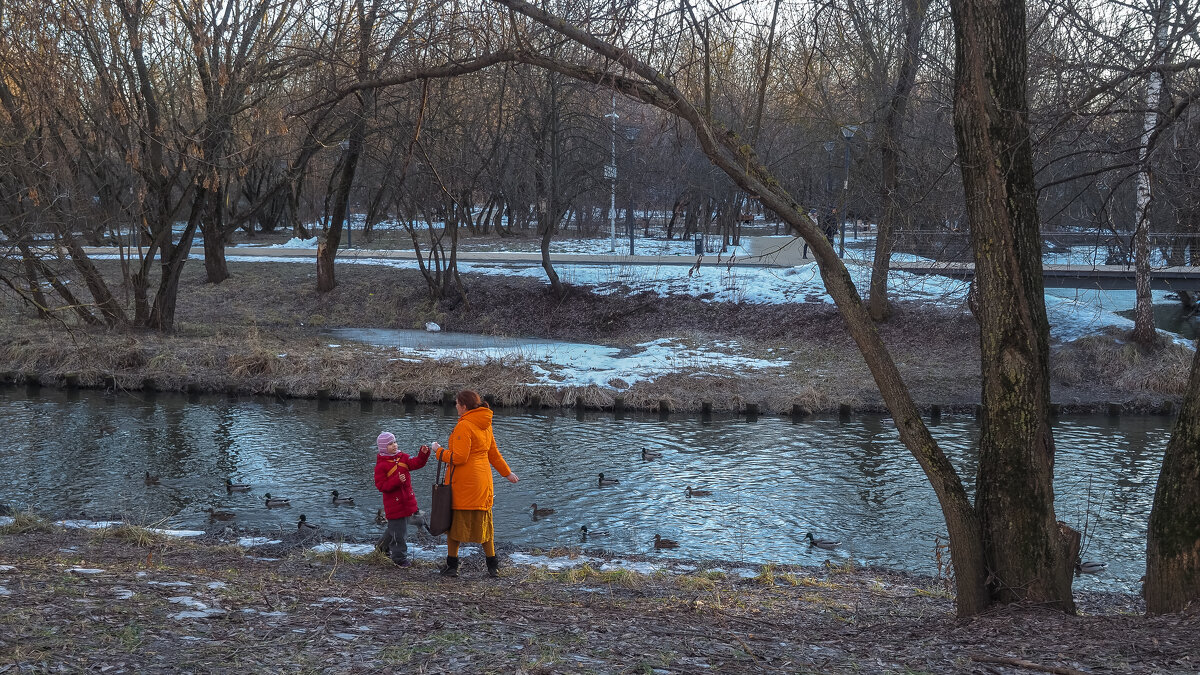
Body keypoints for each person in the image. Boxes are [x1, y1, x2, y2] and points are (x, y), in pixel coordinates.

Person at [433, 390, 518, 578]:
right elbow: (493, 453)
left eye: (456, 403)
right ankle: (492, 566)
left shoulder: (465, 425)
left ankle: (452, 566)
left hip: (464, 484)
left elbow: (460, 458)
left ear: (464, 406)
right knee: (485, 526)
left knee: (454, 527)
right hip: (483, 482)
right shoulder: (485, 424)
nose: (455, 406)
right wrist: (507, 473)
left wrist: (439, 451)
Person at [374, 431, 431, 567]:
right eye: (389, 444)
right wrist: (396, 480)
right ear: (383, 448)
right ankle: (399, 558)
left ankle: (381, 547)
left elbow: (416, 463)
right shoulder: (381, 465)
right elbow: (381, 486)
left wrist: (423, 454)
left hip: (407, 501)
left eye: (394, 442)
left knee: (395, 528)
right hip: (394, 504)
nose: (394, 445)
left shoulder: (403, 457)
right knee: (399, 533)